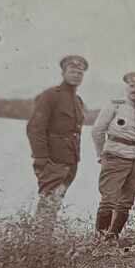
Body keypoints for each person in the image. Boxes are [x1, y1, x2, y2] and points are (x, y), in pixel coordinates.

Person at [90, 71, 135, 245]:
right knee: (108, 200)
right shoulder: (115, 105)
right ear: (126, 87)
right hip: (116, 158)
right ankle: (99, 240)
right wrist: (101, 155)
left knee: (126, 202)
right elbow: (97, 131)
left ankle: (112, 238)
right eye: (131, 86)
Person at [28, 55, 88, 220]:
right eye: (72, 71)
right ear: (63, 72)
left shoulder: (78, 101)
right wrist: (41, 158)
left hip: (70, 161)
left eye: (80, 73)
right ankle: (38, 241)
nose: (76, 75)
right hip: (52, 161)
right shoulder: (50, 95)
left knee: (56, 201)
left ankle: (43, 240)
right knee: (48, 202)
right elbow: (35, 128)